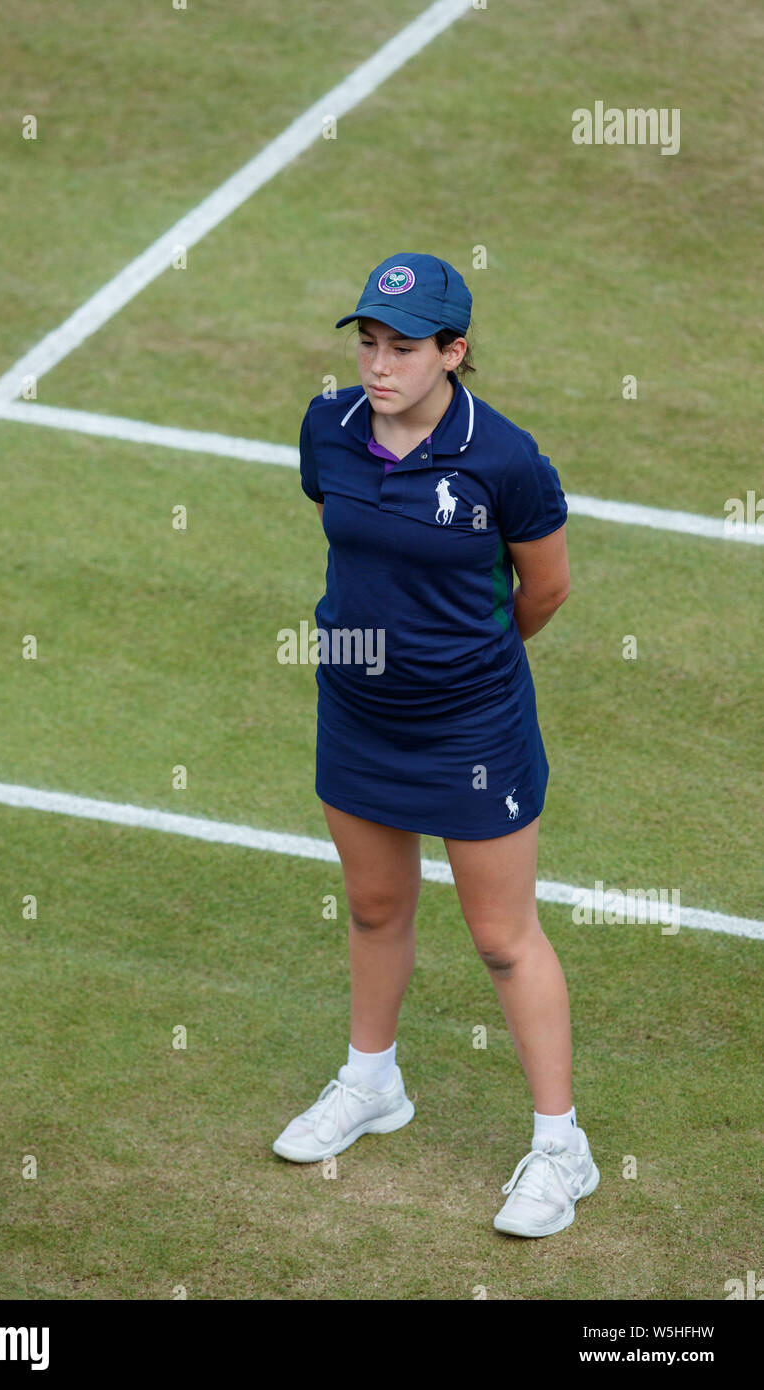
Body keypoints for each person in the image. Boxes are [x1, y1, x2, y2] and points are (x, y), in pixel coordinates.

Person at [273, 252, 598, 1238]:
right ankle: (372, 1083)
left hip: (470, 727)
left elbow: (541, 589)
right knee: (374, 906)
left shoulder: (502, 458)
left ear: (452, 353)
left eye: (403, 349)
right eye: (367, 343)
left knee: (502, 938)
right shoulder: (326, 428)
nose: (378, 365)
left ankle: (561, 1148)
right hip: (357, 712)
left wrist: (461, 670)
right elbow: (349, 535)